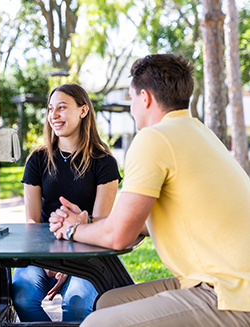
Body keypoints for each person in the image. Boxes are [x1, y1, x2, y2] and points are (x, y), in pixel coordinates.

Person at [50, 54, 250, 326]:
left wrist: (72, 229)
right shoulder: (198, 132)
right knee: (108, 302)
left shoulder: (155, 138)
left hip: (230, 293)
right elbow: (140, 222)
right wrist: (88, 222)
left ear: (144, 98)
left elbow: (120, 236)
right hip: (218, 279)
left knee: (97, 324)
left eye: (131, 98)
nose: (131, 107)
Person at [12, 83, 122, 322]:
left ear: (83, 111)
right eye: (51, 109)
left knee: (77, 302)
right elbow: (32, 221)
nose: (54, 115)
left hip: (87, 253)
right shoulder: (38, 159)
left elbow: (101, 222)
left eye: (62, 108)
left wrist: (70, 264)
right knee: (22, 294)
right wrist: (47, 259)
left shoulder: (104, 163)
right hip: (41, 253)